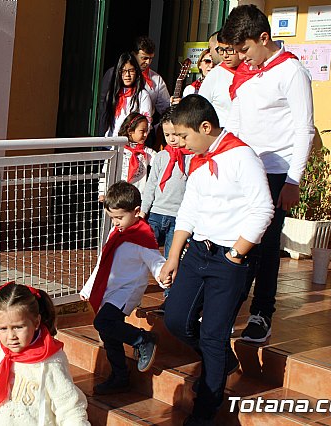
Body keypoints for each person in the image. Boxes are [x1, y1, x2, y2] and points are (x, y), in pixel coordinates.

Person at [159, 95, 273, 426]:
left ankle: (206, 408)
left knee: (212, 334)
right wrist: (174, 256)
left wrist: (237, 254)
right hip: (197, 252)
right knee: (177, 320)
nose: (179, 143)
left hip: (229, 260)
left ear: (205, 127)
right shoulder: (198, 159)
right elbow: (189, 210)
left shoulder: (242, 157)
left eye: (183, 136)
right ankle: (223, 361)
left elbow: (263, 208)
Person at [222, 4, 314, 343]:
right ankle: (230, 306)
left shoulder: (292, 72)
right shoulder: (248, 74)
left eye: (245, 49)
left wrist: (293, 180)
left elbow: (305, 129)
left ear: (264, 38)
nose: (241, 57)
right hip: (246, 169)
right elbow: (235, 122)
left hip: (277, 173)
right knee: (238, 239)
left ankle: (262, 313)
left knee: (266, 244)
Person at [0, 282, 90, 425]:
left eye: (18, 327)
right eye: (3, 328)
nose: (11, 336)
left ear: (36, 322)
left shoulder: (50, 361)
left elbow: (70, 408)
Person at [80, 181, 166, 395]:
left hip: (127, 292)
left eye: (119, 217)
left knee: (103, 321)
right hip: (111, 290)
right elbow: (103, 261)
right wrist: (89, 287)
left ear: (136, 212)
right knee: (109, 333)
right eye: (112, 218)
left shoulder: (142, 237)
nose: (116, 222)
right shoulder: (117, 232)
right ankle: (119, 376)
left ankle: (143, 339)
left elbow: (155, 261)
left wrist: (165, 276)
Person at [140, 106, 190, 262]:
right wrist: (143, 210)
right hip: (156, 213)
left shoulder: (191, 158)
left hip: (178, 216)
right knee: (145, 253)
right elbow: (151, 185)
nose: (172, 139)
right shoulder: (161, 156)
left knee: (172, 257)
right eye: (167, 135)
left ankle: (170, 287)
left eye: (175, 134)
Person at [100, 52, 152, 137]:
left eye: (131, 70)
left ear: (136, 72)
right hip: (109, 143)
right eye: (123, 71)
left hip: (129, 146)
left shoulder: (142, 95)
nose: (127, 75)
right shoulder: (113, 94)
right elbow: (104, 119)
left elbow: (146, 123)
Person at [198, 31, 243, 126]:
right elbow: (200, 109)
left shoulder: (253, 70)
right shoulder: (215, 75)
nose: (225, 55)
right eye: (221, 50)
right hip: (224, 134)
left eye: (230, 50)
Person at [118, 113, 156, 193]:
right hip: (118, 193)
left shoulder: (147, 152)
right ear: (130, 131)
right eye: (142, 131)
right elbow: (106, 169)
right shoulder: (119, 149)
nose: (145, 135)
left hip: (137, 195)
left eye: (147, 131)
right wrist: (102, 192)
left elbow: (158, 161)